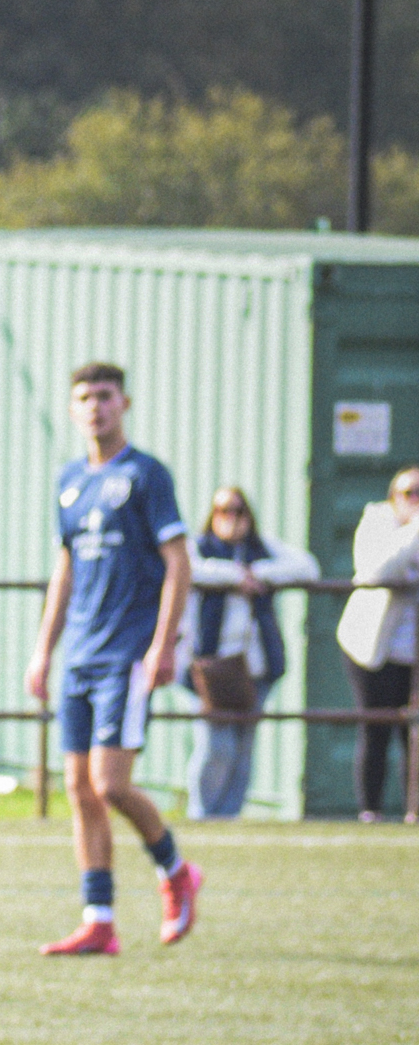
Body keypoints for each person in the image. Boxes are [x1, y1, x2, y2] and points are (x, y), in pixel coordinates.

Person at [24, 362, 201, 954]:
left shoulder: (146, 476)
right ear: (73, 410)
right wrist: (43, 651)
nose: (95, 407)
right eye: (84, 398)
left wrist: (163, 644)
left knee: (111, 784)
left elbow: (178, 562)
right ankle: (99, 919)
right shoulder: (69, 481)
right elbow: (66, 567)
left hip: (127, 654)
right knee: (78, 788)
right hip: (80, 654)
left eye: (104, 396)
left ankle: (176, 871)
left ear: (123, 402)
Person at [178, 487, 314, 822]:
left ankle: (230, 815)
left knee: (243, 747)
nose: (231, 518)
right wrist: (236, 577)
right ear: (212, 515)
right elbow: (186, 569)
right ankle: (203, 814)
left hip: (256, 665)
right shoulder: (200, 547)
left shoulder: (261, 548)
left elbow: (308, 567)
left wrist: (260, 573)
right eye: (223, 511)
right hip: (213, 666)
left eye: (238, 511)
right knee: (215, 747)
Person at [333, 464, 419, 823]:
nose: (416, 501)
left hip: (413, 653)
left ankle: (413, 812)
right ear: (392, 497)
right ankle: (371, 811)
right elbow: (375, 570)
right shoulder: (376, 521)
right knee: (376, 727)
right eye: (409, 493)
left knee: (413, 733)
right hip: (372, 648)